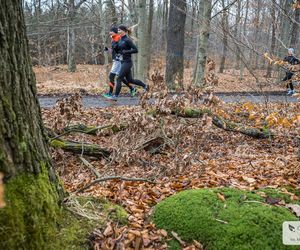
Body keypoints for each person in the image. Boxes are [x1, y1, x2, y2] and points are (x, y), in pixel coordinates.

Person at [110, 25, 149, 101]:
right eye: (117, 30)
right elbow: (118, 51)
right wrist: (114, 47)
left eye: (119, 30)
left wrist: (126, 51)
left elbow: (135, 50)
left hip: (127, 62)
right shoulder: (120, 40)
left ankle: (115, 96)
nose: (118, 32)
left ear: (124, 31)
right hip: (122, 62)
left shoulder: (127, 40)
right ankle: (145, 86)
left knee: (119, 78)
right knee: (130, 80)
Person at [102, 27, 137, 99]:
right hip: (117, 60)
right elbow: (114, 50)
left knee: (112, 76)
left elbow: (120, 49)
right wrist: (108, 49)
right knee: (121, 78)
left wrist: (120, 55)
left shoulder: (118, 38)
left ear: (115, 32)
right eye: (109, 31)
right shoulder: (113, 39)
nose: (109, 33)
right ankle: (132, 88)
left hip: (118, 60)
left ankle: (110, 93)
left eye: (111, 31)